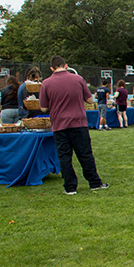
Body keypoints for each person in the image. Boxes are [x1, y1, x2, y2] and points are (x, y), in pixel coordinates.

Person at [39, 56, 109, 195]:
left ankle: (70, 187)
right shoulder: (78, 79)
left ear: (51, 68)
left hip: (59, 124)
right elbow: (90, 99)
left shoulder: (46, 83)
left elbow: (43, 108)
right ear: (66, 65)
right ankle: (94, 182)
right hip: (78, 122)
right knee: (85, 154)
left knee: (65, 157)